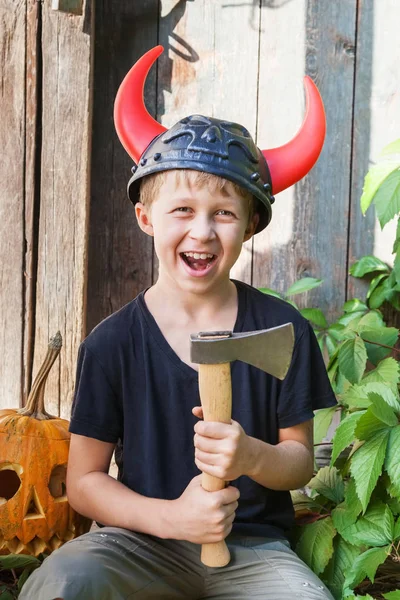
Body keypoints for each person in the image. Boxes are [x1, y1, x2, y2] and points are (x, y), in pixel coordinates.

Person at [20, 46, 337, 600]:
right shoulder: (113, 342)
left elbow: (299, 461)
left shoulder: (282, 328)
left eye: (224, 214)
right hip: (139, 539)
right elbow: (85, 483)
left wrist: (251, 456)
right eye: (182, 210)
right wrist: (173, 519)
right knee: (63, 583)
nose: (203, 232)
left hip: (253, 549)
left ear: (250, 227)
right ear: (146, 217)